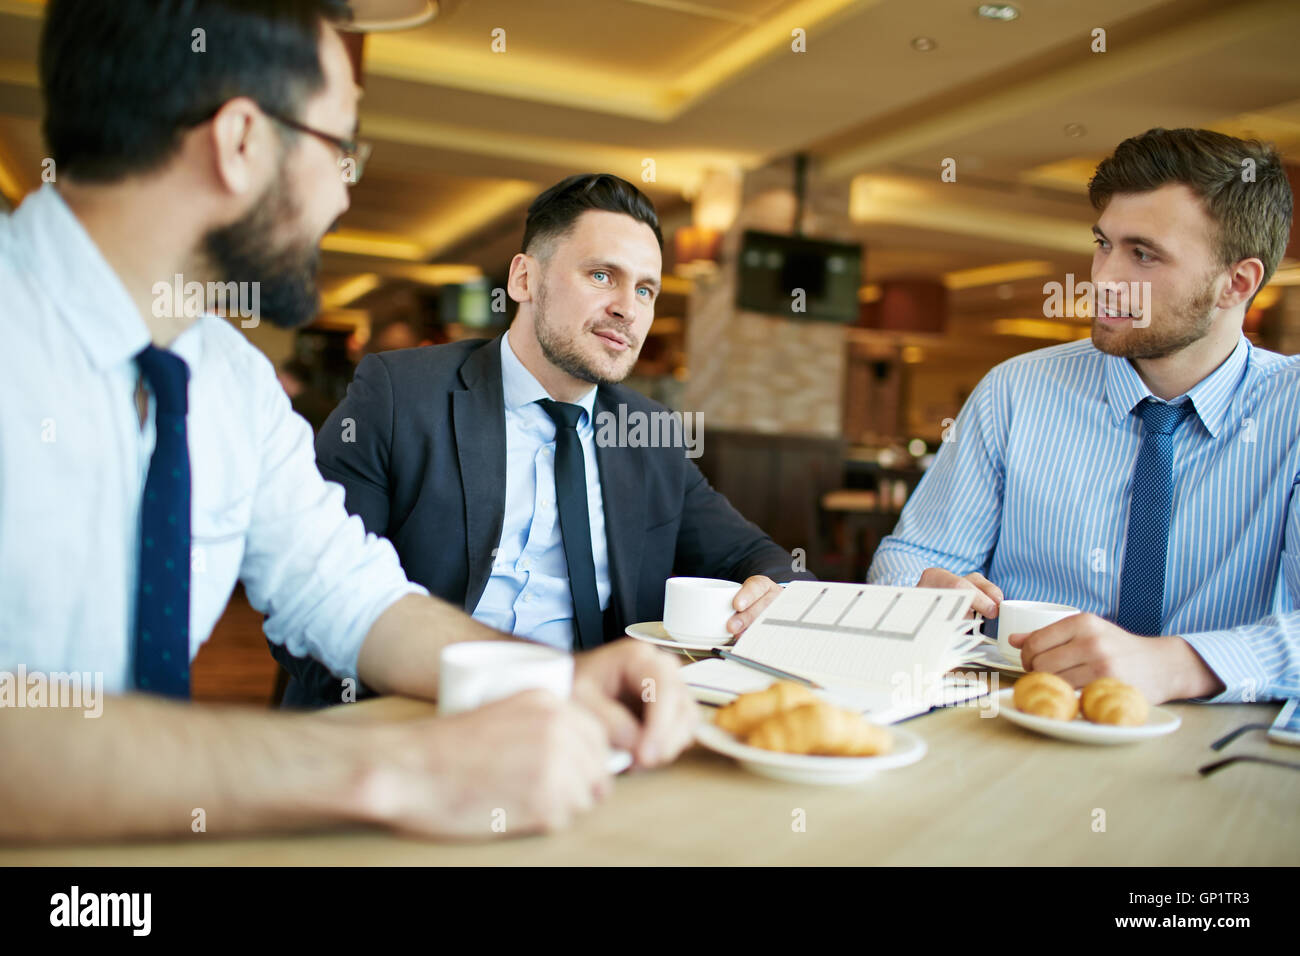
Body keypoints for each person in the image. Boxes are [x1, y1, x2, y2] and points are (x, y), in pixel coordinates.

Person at [0, 0, 695, 845]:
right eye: (341, 149)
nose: (343, 193)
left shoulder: (233, 386)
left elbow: (349, 593)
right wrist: (397, 771)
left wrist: (559, 683)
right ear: (241, 140)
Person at [274, 173, 812, 707]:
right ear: (524, 279)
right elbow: (311, 605)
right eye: (602, 276)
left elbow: (754, 554)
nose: (629, 307)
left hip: (589, 730)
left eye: (646, 289)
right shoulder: (399, 396)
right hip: (419, 713)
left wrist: (774, 597)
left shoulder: (651, 435)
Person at [869, 127, 1299, 706]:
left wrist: (1174, 665)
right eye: (1103, 244)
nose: (1101, 278)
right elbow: (911, 556)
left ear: (1237, 283)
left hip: (1213, 752)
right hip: (1011, 713)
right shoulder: (1016, 391)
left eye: (1143, 254)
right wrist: (920, 587)